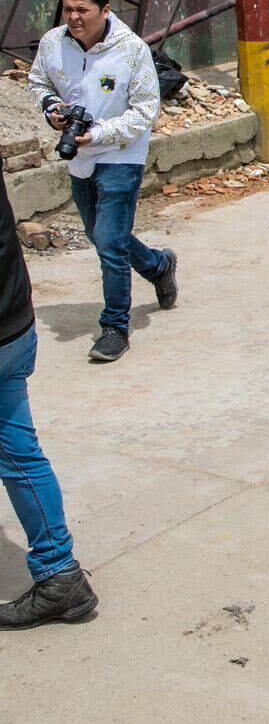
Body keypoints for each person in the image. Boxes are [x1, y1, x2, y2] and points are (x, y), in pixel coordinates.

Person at [27, 0, 175, 363]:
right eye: (68, 9)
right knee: (101, 235)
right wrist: (51, 108)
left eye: (83, 10)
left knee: (109, 244)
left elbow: (145, 110)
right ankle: (158, 265)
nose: (74, 17)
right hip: (79, 156)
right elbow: (36, 80)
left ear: (105, 10)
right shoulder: (52, 43)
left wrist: (100, 133)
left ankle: (114, 327)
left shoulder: (132, 51)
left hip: (121, 154)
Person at [0, 169, 98, 628]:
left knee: (18, 454)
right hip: (15, 321)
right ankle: (60, 572)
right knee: (20, 454)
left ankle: (61, 574)